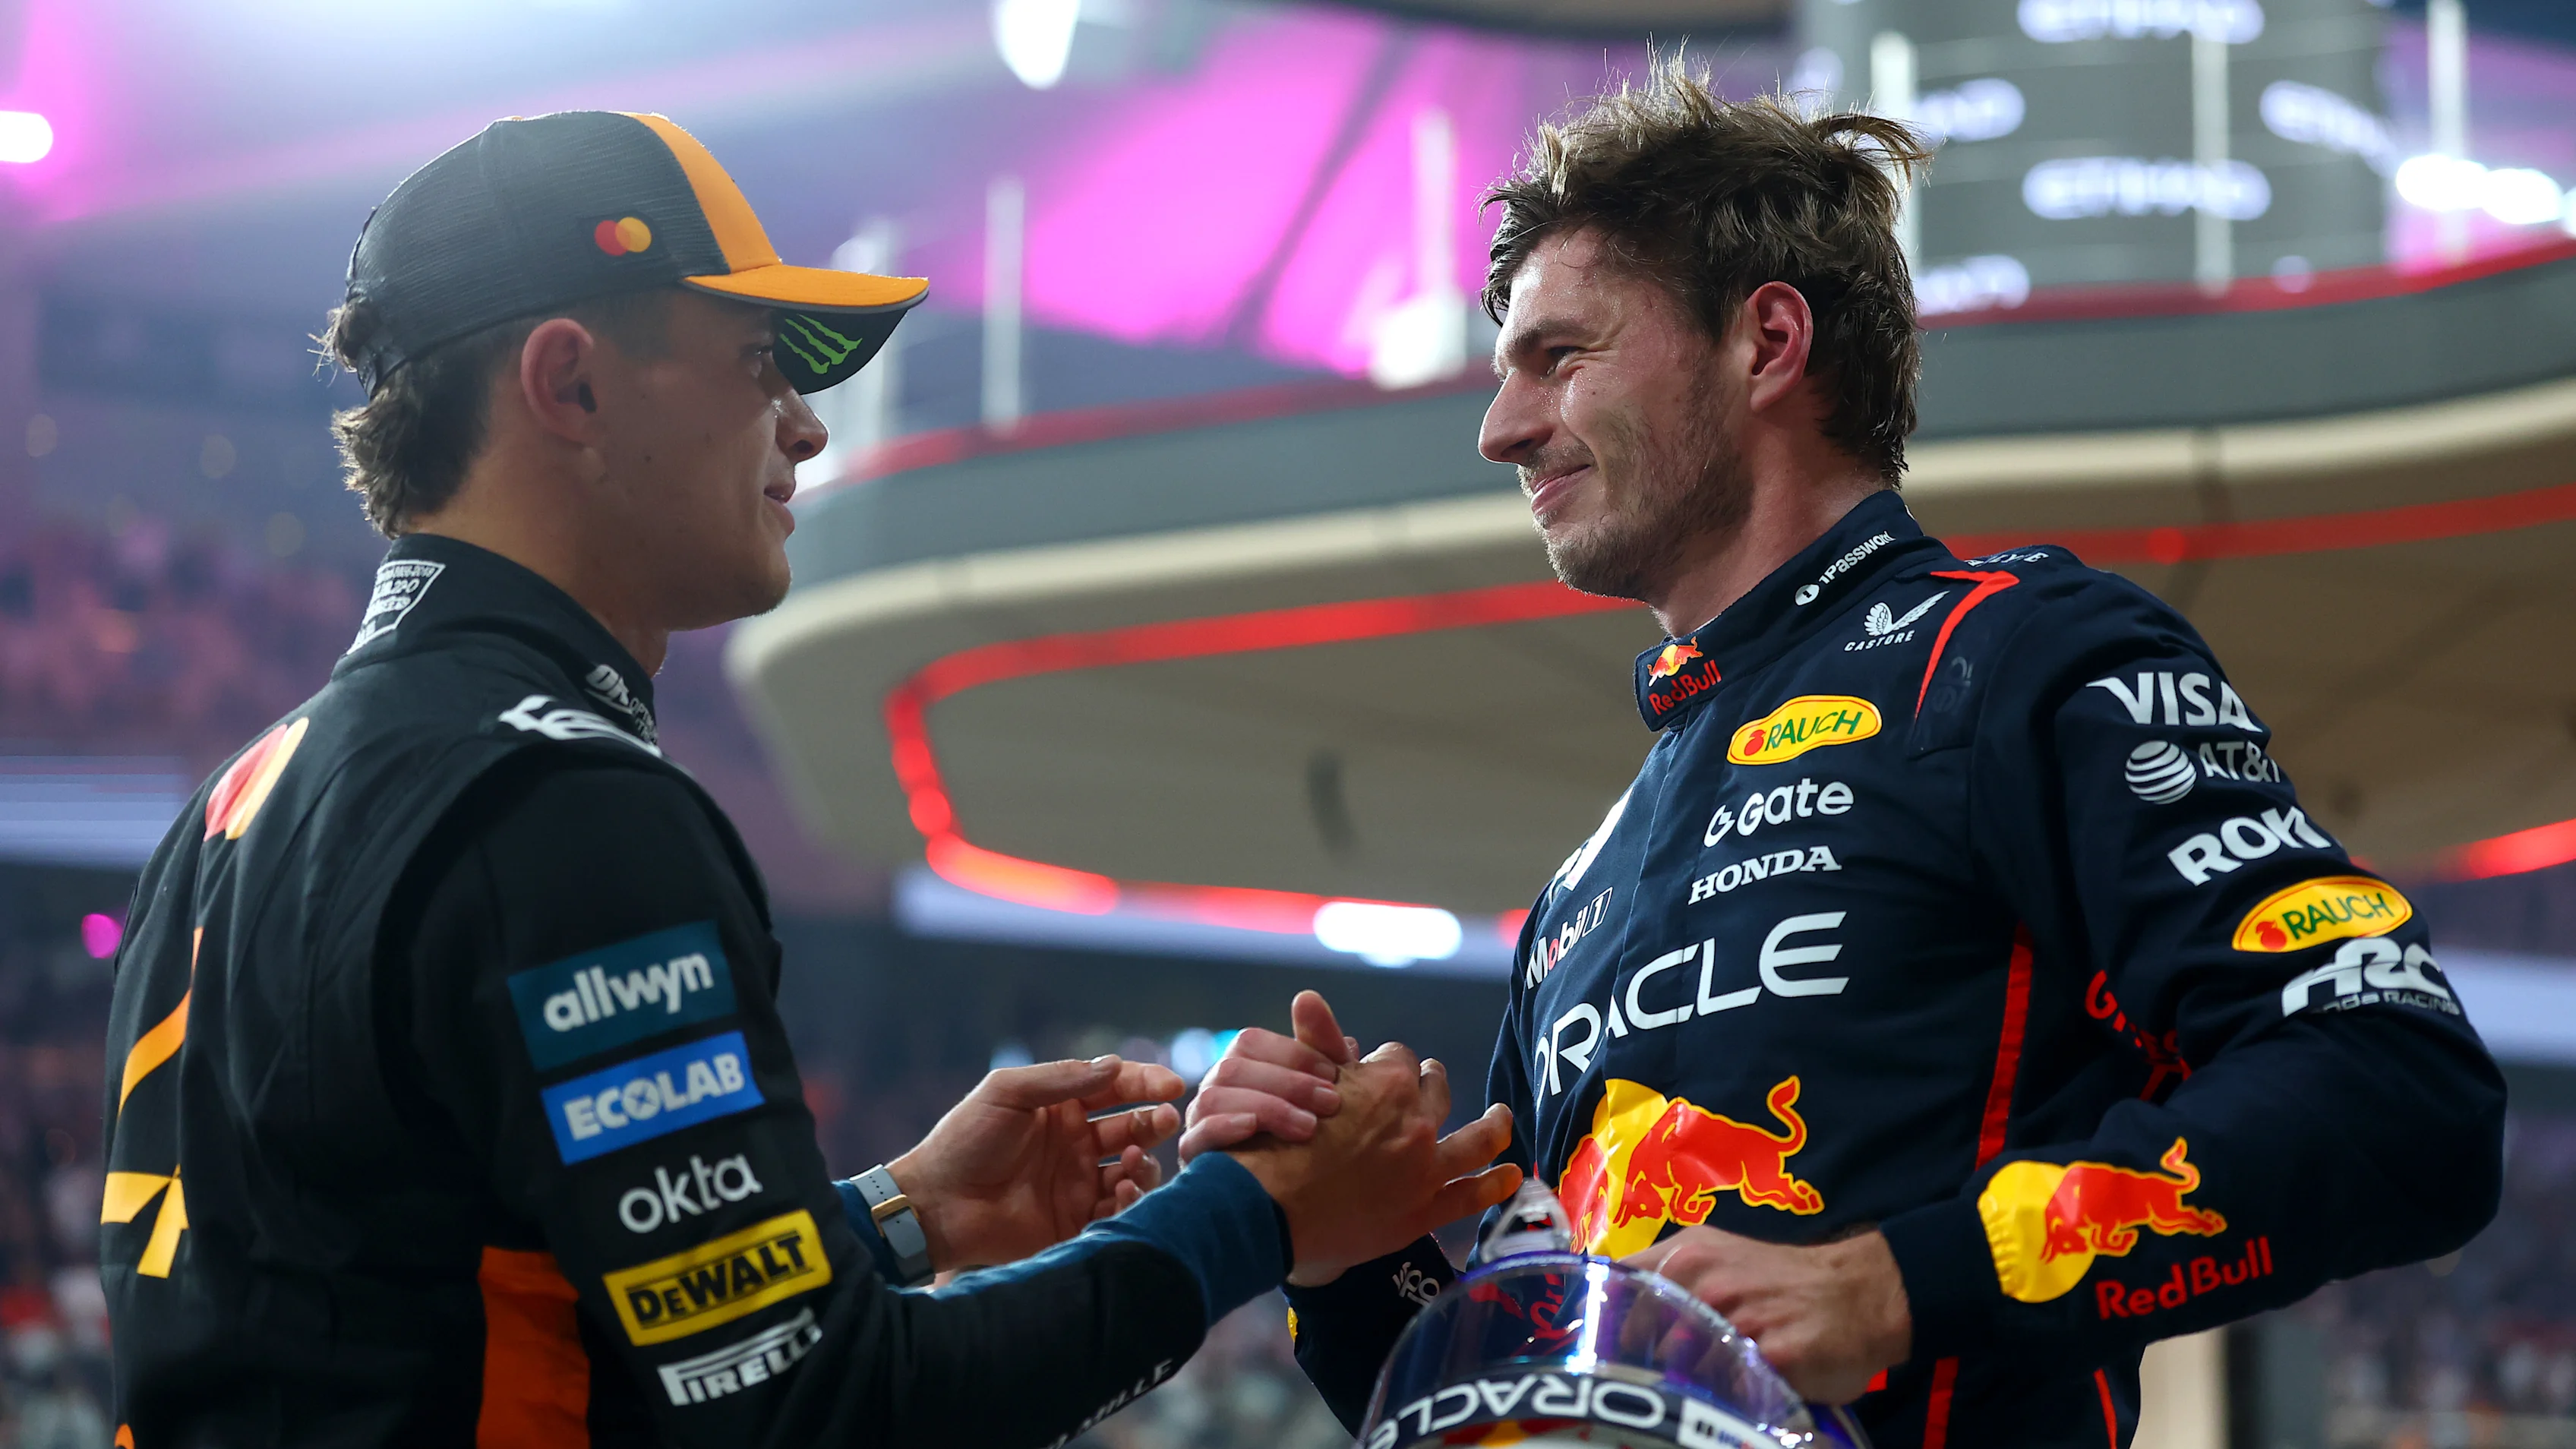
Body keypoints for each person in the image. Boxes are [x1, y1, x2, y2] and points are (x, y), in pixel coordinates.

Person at [96, 110, 1520, 1447]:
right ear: (571, 381)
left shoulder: (237, 801)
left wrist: (903, 1220)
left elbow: (450, 1311)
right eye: (760, 363)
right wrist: (1254, 1215)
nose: (808, 425)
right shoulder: (563, 806)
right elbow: (821, 1417)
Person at [1179, 68, 2506, 1447]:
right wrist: (1329, 1254)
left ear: (1766, 342)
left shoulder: (2018, 657)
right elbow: (1525, 1397)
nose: (1501, 429)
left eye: (1559, 357)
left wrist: (1898, 1287)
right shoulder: (1583, 884)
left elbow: (2401, 1090)